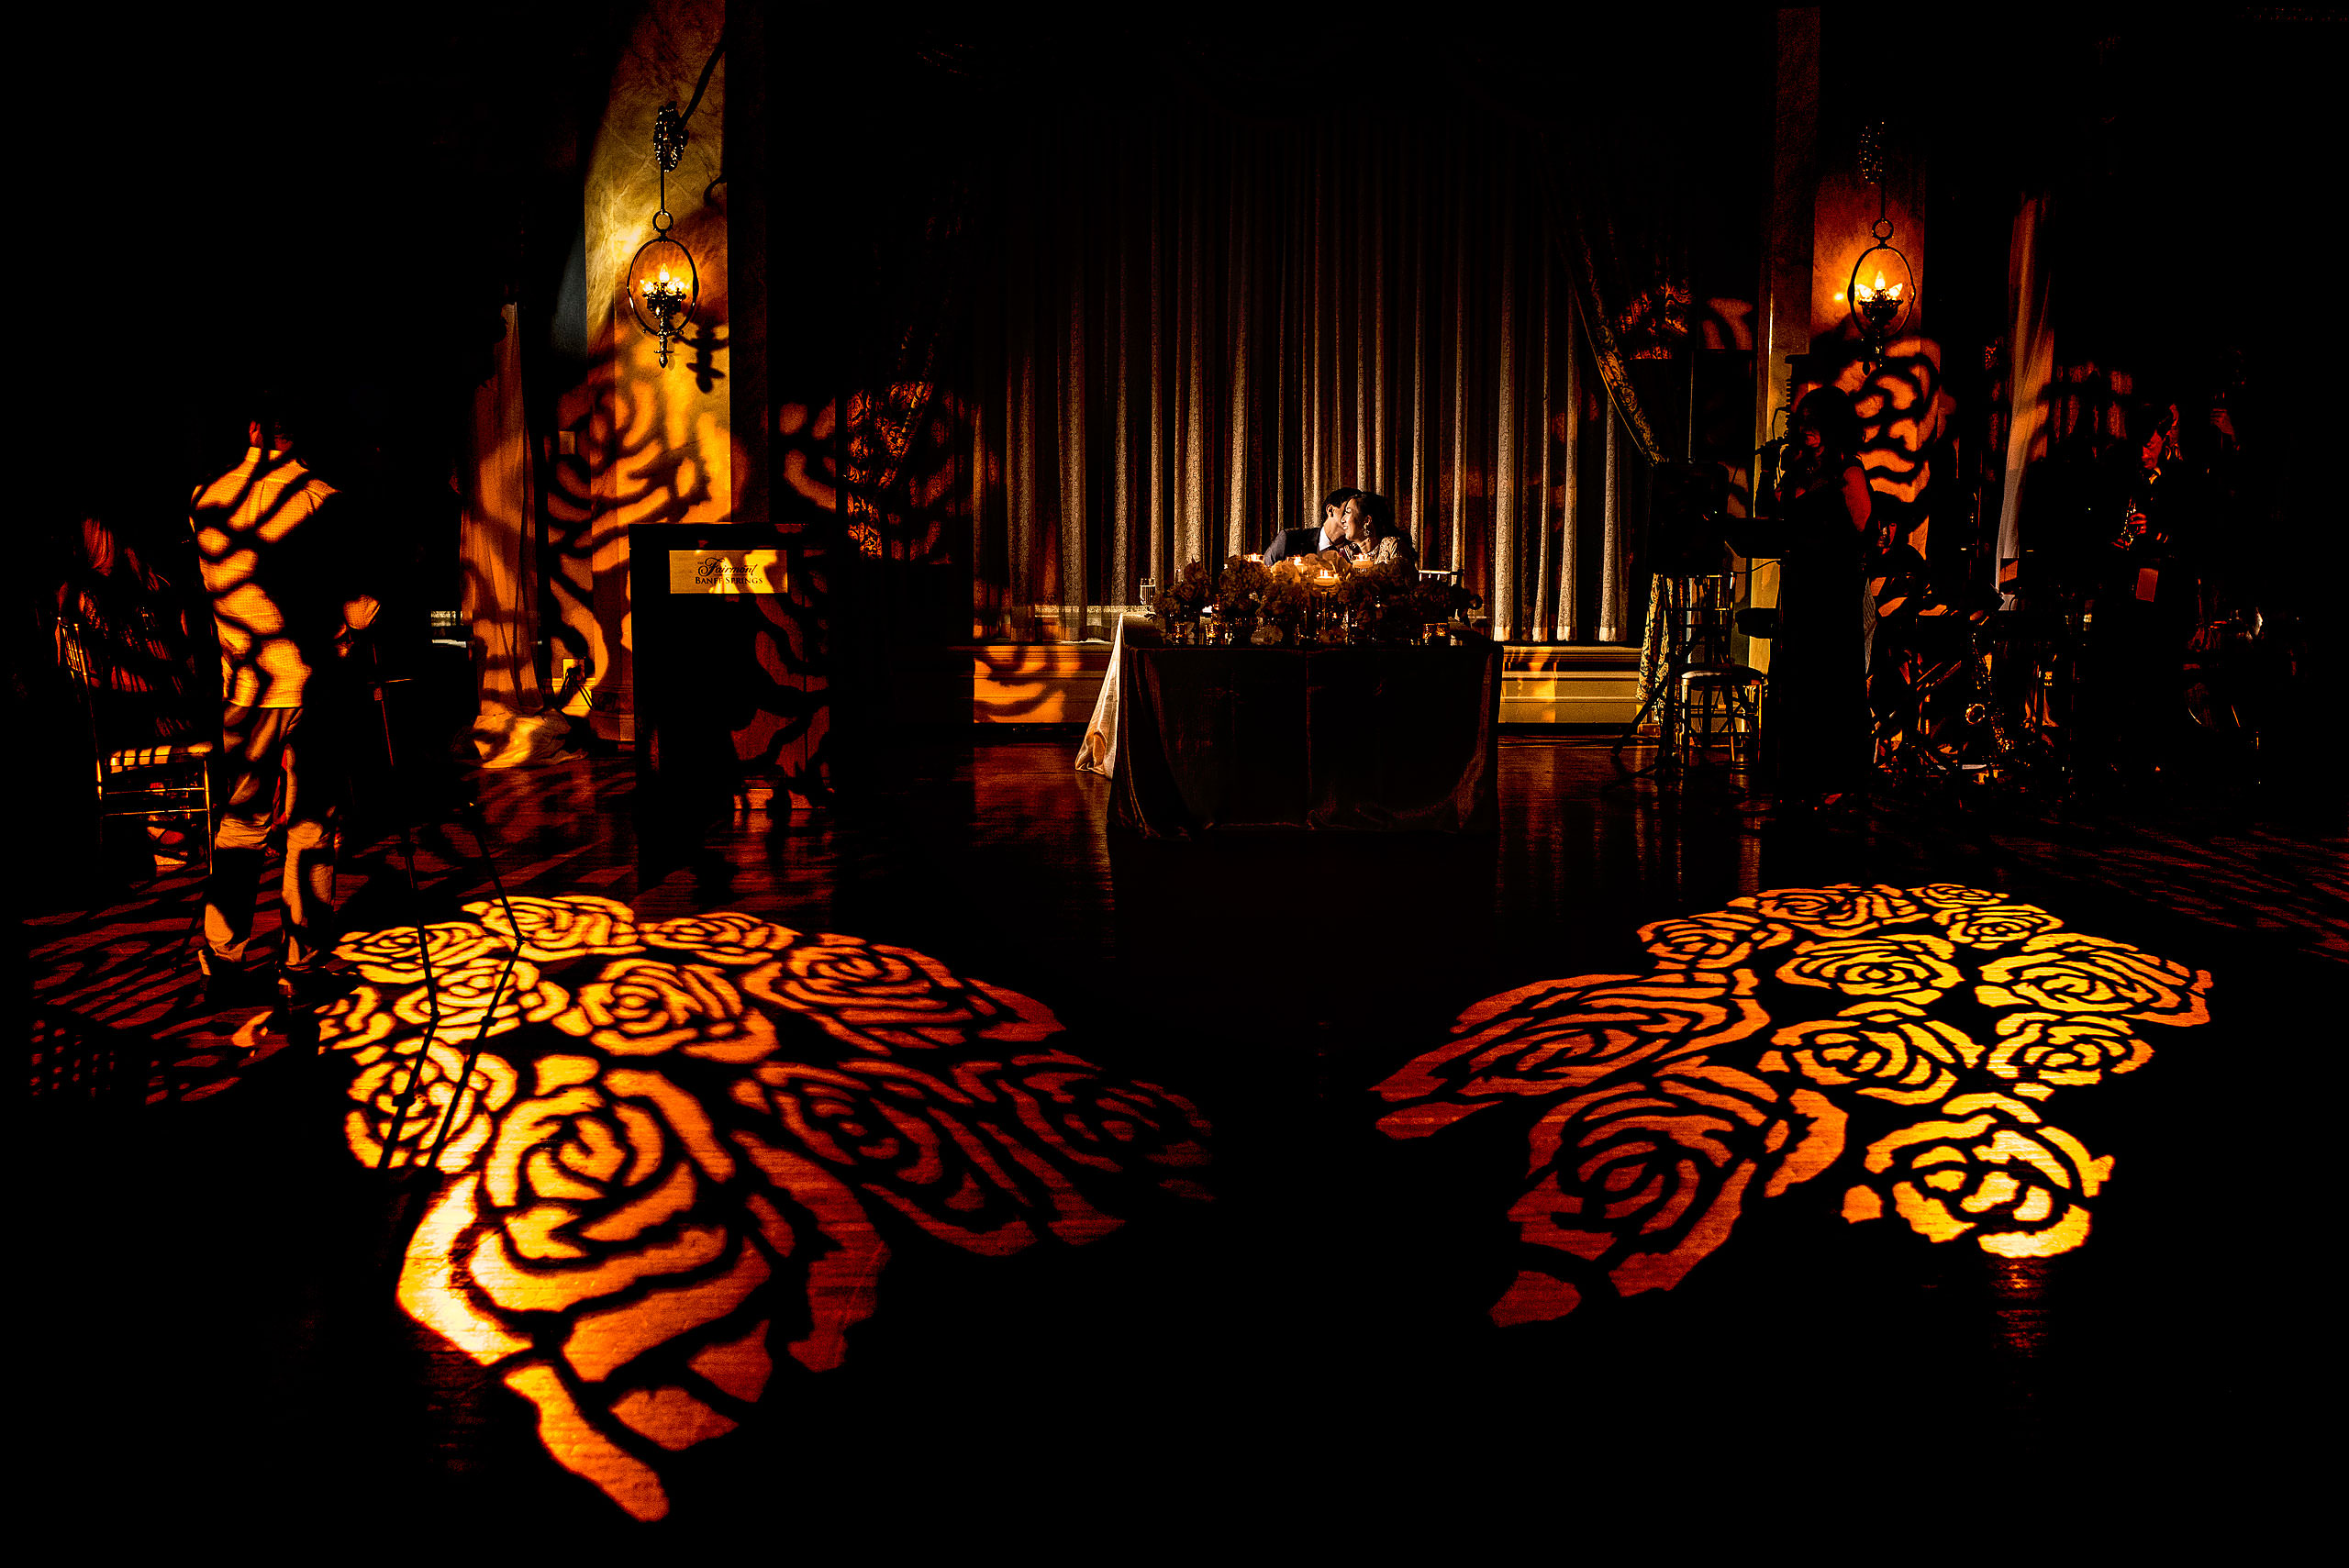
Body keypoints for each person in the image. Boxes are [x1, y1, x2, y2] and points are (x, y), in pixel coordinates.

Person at [190, 395, 378, 1004]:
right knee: (311, 825)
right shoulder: (324, 501)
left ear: (250, 427)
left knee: (241, 821)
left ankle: (222, 953)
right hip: (313, 685)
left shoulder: (205, 498)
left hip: (247, 688)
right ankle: (301, 957)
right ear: (299, 433)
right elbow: (351, 606)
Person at [1762, 386, 1873, 809]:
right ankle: (1798, 773)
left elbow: (1864, 531)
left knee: (1832, 680)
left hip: (1833, 588)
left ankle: (1839, 776)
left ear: (1833, 426)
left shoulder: (1849, 471)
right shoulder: (1796, 470)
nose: (1805, 428)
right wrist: (1772, 471)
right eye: (1800, 421)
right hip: (1800, 585)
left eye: (1814, 421)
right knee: (1798, 677)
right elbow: (1771, 516)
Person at [1264, 487, 1363, 565]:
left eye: (1357, 512)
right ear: (1330, 510)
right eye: (1348, 510)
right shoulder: (1289, 539)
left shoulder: (1358, 551)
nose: (1354, 517)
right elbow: (1266, 578)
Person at [1349, 492, 1419, 573]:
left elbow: (1400, 582)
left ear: (1367, 520)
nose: (1343, 520)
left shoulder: (1392, 547)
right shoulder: (1349, 551)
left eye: (1348, 512)